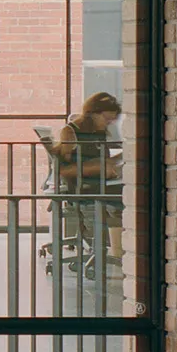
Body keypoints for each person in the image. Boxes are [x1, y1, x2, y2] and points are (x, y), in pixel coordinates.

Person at [53, 90, 123, 268]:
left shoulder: (97, 132)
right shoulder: (71, 132)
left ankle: (118, 242)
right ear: (93, 113)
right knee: (135, 195)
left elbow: (101, 161)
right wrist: (97, 167)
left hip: (98, 182)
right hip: (84, 187)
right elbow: (64, 170)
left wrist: (116, 160)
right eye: (106, 119)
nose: (108, 123)